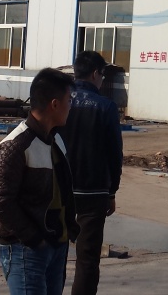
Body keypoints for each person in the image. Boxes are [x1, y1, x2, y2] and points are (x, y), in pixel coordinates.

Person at [0, 68, 79, 295]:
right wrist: (34, 238)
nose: (71, 106)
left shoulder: (56, 141)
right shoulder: (15, 146)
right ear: (54, 104)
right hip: (25, 249)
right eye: (69, 100)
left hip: (55, 245)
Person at [59, 51, 124, 295]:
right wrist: (112, 191)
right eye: (102, 74)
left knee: (55, 252)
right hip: (93, 191)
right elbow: (114, 153)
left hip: (58, 189)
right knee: (87, 258)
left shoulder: (59, 101)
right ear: (96, 73)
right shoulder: (105, 106)